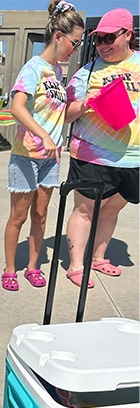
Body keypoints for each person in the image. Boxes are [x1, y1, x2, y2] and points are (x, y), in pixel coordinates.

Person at [1, 1, 84, 291]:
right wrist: (44, 137)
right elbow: (17, 108)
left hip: (52, 159)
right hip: (26, 155)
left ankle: (33, 266)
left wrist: (86, 107)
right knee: (19, 215)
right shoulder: (33, 68)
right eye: (75, 41)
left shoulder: (58, 74)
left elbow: (59, 114)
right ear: (59, 37)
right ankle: (10, 268)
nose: (76, 48)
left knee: (41, 213)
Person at [64, 7, 139, 288]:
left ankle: (98, 258)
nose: (103, 45)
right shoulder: (88, 71)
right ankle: (75, 265)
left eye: (109, 38)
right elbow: (65, 113)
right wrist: (85, 103)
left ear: (128, 34)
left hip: (132, 157)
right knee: (84, 211)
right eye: (98, 40)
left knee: (111, 211)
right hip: (92, 154)